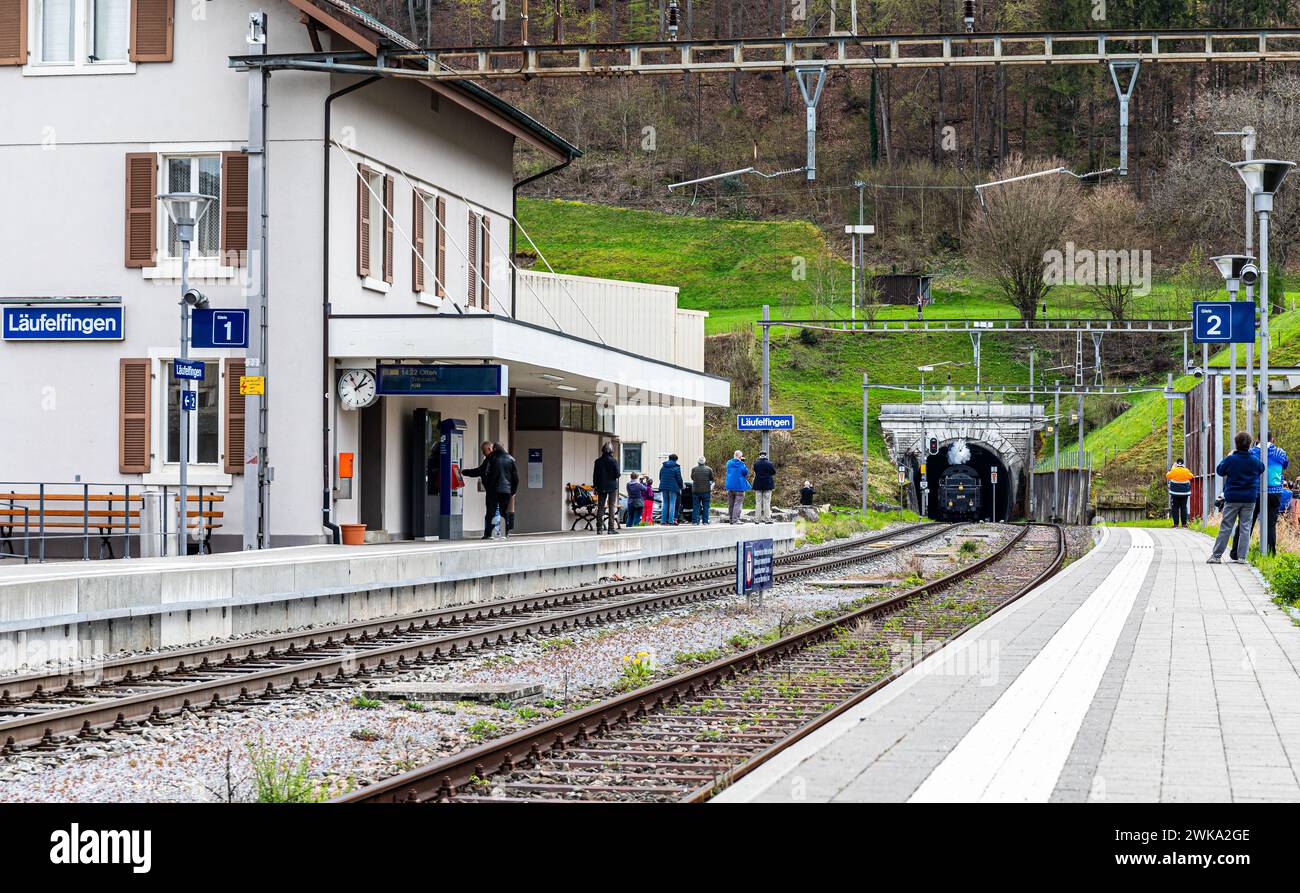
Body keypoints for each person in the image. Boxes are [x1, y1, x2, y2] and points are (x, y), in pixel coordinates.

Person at [1209, 431, 1265, 564]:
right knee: (1245, 527)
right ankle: (1242, 557)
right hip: (1250, 499)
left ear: (1236, 444)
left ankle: (1216, 556)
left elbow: (1220, 471)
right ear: (1250, 444)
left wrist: (1228, 456)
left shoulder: (1231, 459)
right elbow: (1261, 468)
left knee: (1226, 526)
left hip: (1232, 498)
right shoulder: (1254, 461)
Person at [461, 441, 519, 539]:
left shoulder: (491, 458)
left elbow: (480, 471)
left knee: (490, 512)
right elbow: (516, 478)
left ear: (493, 449)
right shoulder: (510, 459)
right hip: (506, 490)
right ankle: (505, 533)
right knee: (503, 511)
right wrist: (512, 491)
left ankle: (488, 534)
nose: (485, 454)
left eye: (485, 451)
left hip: (493, 489)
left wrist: (464, 472)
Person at [592, 443, 621, 535]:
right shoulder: (614, 461)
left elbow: (595, 475)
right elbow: (617, 474)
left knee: (601, 506)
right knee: (611, 506)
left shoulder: (598, 461)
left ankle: (599, 528)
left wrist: (595, 486)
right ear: (612, 451)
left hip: (601, 486)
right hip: (612, 486)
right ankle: (611, 528)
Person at [724, 449, 751, 524]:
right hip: (739, 486)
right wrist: (742, 463)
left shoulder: (729, 463)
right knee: (738, 503)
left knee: (731, 503)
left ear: (734, 455)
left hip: (730, 485)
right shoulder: (741, 464)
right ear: (740, 457)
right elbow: (746, 472)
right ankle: (735, 520)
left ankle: (731, 519)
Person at [1165, 457, 1193, 528]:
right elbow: (1191, 476)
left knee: (1175, 508)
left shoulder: (1173, 470)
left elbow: (1168, 476)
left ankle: (1176, 524)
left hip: (1175, 493)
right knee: (1184, 507)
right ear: (1183, 464)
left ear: (1176, 464)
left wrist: (1172, 468)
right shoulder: (1186, 470)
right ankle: (1184, 524)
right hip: (1184, 493)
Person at [658, 454, 684, 526]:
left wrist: (664, 483)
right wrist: (681, 486)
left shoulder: (663, 467)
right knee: (672, 503)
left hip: (664, 487)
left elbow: (660, 476)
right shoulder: (676, 467)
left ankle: (663, 521)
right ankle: (670, 521)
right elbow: (679, 479)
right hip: (673, 488)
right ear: (676, 459)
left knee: (665, 503)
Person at [752, 451, 777, 524]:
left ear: (759, 456)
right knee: (767, 502)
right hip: (768, 485)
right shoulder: (770, 464)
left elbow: (755, 471)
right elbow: (773, 472)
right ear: (765, 456)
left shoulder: (756, 464)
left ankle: (757, 519)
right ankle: (767, 519)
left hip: (758, 485)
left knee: (758, 502)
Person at [691, 456, 714, 525]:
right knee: (706, 506)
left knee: (696, 506)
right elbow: (711, 478)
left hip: (696, 491)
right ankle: (705, 521)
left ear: (698, 462)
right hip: (706, 491)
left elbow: (692, 477)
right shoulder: (709, 469)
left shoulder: (694, 469)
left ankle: (695, 521)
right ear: (704, 462)